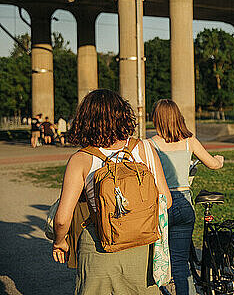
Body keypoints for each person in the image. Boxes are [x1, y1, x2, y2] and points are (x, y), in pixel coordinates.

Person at [51, 89, 172, 294]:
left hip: (100, 244)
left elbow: (62, 219)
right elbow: (166, 200)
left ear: (85, 120)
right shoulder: (144, 148)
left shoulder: (80, 160)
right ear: (123, 115)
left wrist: (59, 241)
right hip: (142, 244)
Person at [150, 99, 224, 295]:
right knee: (181, 264)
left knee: (154, 257)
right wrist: (219, 160)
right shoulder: (189, 141)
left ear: (156, 118)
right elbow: (213, 165)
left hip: (160, 204)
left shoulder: (149, 145)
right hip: (184, 203)